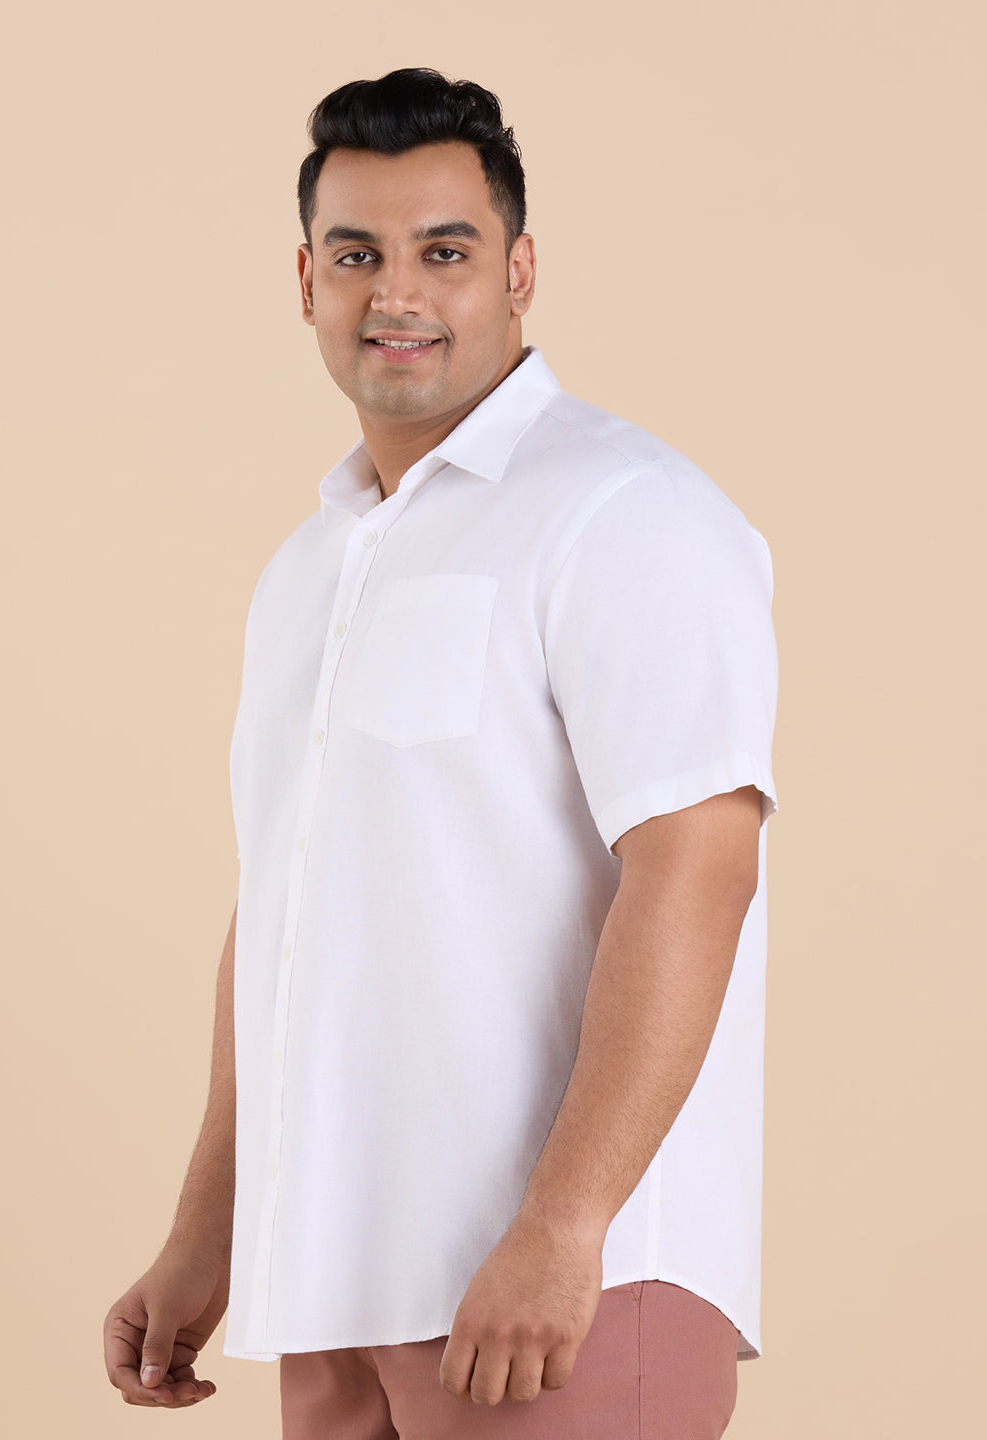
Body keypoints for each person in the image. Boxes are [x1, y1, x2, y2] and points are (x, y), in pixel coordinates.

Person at [103, 67, 779, 1438]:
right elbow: (284, 913)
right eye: (357, 254)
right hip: (333, 1290)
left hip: (562, 1288)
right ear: (306, 281)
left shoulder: (624, 512)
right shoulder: (310, 569)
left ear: (519, 271)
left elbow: (698, 867)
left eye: (446, 252)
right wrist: (208, 1231)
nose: (396, 292)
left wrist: (566, 1223)